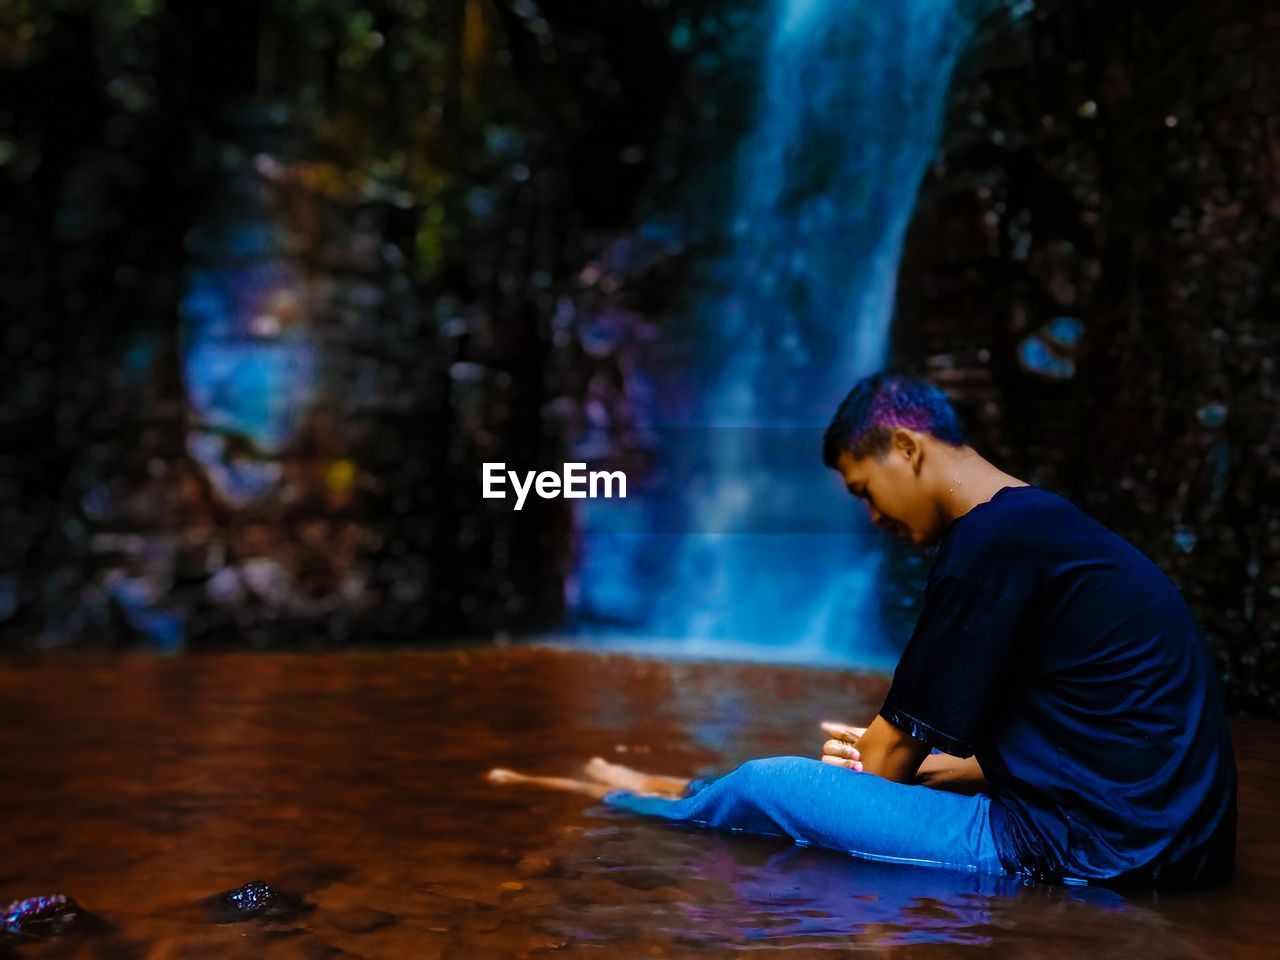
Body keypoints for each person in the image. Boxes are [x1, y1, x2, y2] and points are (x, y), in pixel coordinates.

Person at [488, 372, 1237, 889]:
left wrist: (873, 768)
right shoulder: (1047, 530)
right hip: (1177, 845)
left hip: (1095, 852)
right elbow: (1068, 745)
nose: (872, 517)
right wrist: (902, 766)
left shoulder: (990, 545)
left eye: (864, 489)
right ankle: (670, 789)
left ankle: (633, 804)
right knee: (823, 783)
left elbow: (886, 762)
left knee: (771, 782)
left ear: (906, 448)